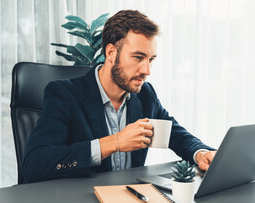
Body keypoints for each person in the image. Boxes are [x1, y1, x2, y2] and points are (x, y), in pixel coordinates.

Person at [22, 10, 216, 183]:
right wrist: (114, 142)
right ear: (111, 52)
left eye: (151, 60)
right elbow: (35, 164)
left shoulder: (145, 95)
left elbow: (176, 135)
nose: (147, 70)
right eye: (138, 58)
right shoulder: (64, 94)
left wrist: (201, 153)